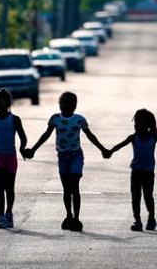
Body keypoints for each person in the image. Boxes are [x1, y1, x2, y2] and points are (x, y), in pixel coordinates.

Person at [25, 91, 108, 231]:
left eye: (68, 103)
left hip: (76, 157)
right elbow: (46, 135)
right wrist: (33, 149)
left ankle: (76, 218)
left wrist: (103, 149)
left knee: (74, 187)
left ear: (75, 106)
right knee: (66, 188)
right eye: (62, 103)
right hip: (62, 158)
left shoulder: (79, 120)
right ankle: (68, 215)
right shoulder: (55, 119)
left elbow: (90, 135)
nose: (65, 106)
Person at [104, 108, 157, 232]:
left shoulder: (153, 137)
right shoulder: (133, 137)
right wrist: (110, 151)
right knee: (135, 197)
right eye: (135, 123)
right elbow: (119, 146)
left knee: (148, 196)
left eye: (139, 123)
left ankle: (151, 218)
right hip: (136, 172)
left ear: (147, 125)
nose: (136, 125)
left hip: (149, 172)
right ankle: (137, 221)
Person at [0, 88, 28, 229]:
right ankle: (1, 216)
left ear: (8, 103)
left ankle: (9, 213)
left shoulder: (15, 120)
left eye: (0, 101)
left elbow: (23, 137)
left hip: (10, 158)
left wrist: (22, 148)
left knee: (9, 188)